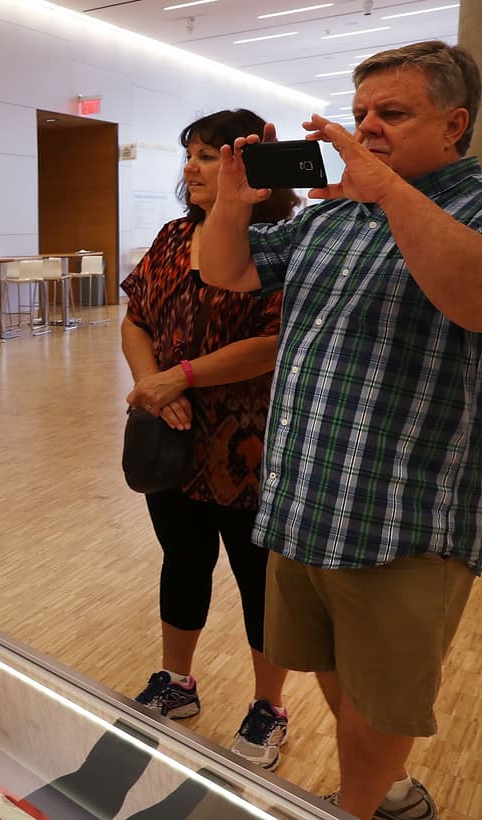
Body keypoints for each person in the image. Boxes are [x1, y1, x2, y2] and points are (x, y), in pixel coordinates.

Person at [200, 41, 482, 820]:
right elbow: (226, 270)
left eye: (392, 113)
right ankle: (386, 794)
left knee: (384, 697)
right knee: (332, 667)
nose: (367, 128)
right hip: (304, 499)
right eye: (360, 113)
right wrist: (232, 201)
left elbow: (473, 296)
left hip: (404, 519)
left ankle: (354, 808)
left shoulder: (472, 207)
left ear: (454, 125)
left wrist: (384, 187)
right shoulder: (334, 216)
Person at [121, 108, 301, 770]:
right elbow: (135, 319)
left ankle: (269, 706)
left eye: (208, 155)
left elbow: (274, 342)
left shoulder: (280, 242)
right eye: (190, 154)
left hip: (252, 445)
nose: (192, 167)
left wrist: (182, 376)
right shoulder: (173, 237)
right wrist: (152, 385)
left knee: (260, 580)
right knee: (182, 558)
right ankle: (177, 681)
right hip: (172, 435)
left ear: (247, 168)